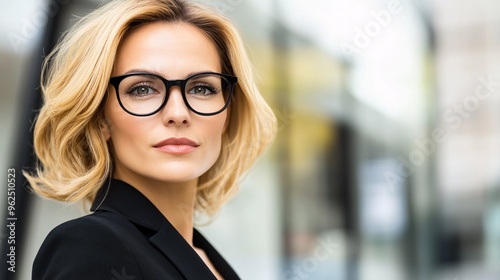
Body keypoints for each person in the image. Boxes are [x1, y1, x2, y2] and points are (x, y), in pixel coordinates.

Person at [25, 0, 276, 279]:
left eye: (203, 88)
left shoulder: (203, 256)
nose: (178, 113)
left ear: (228, 111)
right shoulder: (90, 246)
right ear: (100, 118)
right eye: (143, 89)